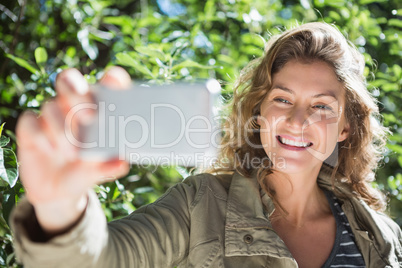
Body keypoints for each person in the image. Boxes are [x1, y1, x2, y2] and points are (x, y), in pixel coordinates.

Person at [10, 22, 402, 268]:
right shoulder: (200, 207)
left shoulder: (382, 237)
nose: (297, 121)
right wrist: (61, 207)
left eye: (320, 106)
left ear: (346, 127)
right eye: (282, 99)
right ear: (259, 112)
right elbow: (99, 259)